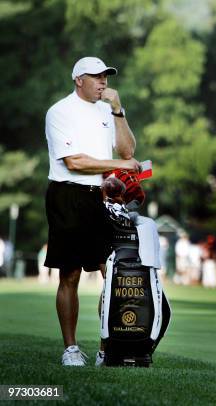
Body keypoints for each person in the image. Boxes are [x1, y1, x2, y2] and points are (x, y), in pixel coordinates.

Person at [44, 56, 139, 366]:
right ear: (78, 80)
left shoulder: (106, 110)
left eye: (106, 77)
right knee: (69, 273)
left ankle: (106, 349)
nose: (103, 82)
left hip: (102, 197)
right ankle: (70, 349)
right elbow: (75, 162)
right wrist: (119, 165)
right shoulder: (59, 112)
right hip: (67, 196)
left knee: (111, 274)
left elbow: (128, 151)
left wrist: (118, 110)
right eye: (96, 76)